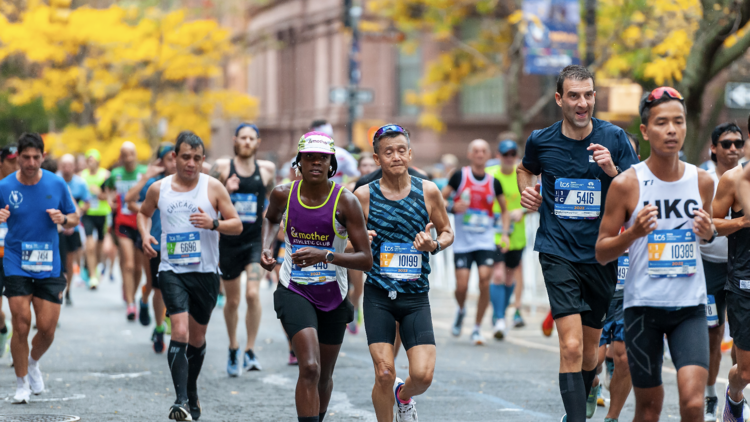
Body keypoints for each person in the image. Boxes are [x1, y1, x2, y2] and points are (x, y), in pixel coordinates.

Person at [517, 65, 639, 422]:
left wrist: (613, 172)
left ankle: (589, 387)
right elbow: (526, 168)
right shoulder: (541, 139)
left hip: (601, 255)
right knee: (569, 347)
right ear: (559, 99)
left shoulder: (614, 138)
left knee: (589, 356)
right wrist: (529, 191)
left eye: (588, 95)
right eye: (573, 95)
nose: (582, 102)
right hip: (557, 251)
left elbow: (638, 192)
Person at [596, 86, 715, 422]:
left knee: (693, 404)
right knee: (649, 408)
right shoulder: (627, 184)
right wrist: (633, 233)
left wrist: (708, 233)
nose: (672, 130)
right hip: (643, 308)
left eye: (678, 122)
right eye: (662, 123)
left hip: (689, 308)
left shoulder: (702, 181)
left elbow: (706, 236)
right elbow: (602, 251)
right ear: (646, 131)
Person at [259, 131, 372, 422]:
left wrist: (325, 255)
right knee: (309, 367)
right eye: (309, 157)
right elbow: (271, 219)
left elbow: (366, 260)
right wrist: (266, 247)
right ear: (300, 161)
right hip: (294, 288)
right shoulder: (283, 194)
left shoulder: (346, 202)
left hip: (334, 295)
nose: (316, 163)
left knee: (324, 374)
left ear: (331, 163)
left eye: (322, 158)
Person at [138, 131, 242, 421]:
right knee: (180, 332)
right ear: (174, 157)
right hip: (172, 269)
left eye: (197, 158)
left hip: (206, 272)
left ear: (203, 160)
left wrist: (213, 223)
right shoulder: (159, 188)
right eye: (185, 157)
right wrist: (146, 235)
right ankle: (180, 400)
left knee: (197, 338)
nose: (191, 163)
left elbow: (237, 226)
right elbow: (143, 213)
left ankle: (191, 389)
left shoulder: (214, 188)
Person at [354, 124, 454, 422]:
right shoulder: (363, 196)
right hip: (378, 296)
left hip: (415, 297)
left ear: (410, 154)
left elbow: (448, 232)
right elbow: (342, 238)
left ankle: (404, 396)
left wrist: (433, 244)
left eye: (401, 150)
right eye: (388, 152)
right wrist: (360, 241)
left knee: (422, 376)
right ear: (377, 159)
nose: (395, 156)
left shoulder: (429, 191)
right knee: (384, 373)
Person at [0, 133, 78, 404]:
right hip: (15, 261)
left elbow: (75, 216)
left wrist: (64, 218)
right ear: (19, 158)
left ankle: (33, 363)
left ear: (43, 157)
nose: (31, 162)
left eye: (36, 157)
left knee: (46, 329)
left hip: (48, 264)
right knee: (21, 324)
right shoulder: (4, 186)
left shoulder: (56, 184)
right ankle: (21, 384)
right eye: (26, 157)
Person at [209, 123, 275, 376]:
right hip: (229, 241)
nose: (247, 142)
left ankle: (249, 350)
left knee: (252, 294)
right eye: (243, 138)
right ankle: (233, 346)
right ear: (235, 140)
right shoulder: (222, 168)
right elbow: (206, 202)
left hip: (254, 240)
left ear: (258, 142)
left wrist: (273, 241)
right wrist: (226, 190)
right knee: (233, 300)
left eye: (252, 138)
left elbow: (274, 207)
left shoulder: (267, 170)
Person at [588, 132, 641, 420]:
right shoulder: (597, 188)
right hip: (598, 286)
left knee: (624, 359)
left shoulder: (648, 192)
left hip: (630, 294)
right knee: (592, 361)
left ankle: (613, 417)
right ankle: (593, 383)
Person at [442, 139, 510, 345]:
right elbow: (439, 199)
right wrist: (453, 207)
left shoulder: (493, 182)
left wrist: (505, 234)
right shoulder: (459, 176)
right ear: (470, 154)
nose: (480, 154)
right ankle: (461, 310)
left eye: (483, 151)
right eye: (476, 151)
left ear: (488, 155)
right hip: (462, 241)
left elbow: (505, 210)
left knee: (484, 280)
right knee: (461, 286)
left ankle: (478, 327)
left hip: (484, 240)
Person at [699, 123, 745, 421]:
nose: (732, 149)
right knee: (714, 333)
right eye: (726, 143)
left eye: (737, 143)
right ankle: (711, 394)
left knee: (740, 341)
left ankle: (736, 387)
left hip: (738, 266)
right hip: (707, 268)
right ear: (713, 148)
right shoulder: (703, 177)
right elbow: (710, 223)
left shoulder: (745, 176)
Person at [711, 130, 750, 422]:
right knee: (746, 370)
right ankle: (734, 397)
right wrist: (743, 221)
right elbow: (711, 224)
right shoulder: (734, 179)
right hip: (743, 284)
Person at [125, 143, 176, 352]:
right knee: (157, 286)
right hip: (155, 241)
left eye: (177, 157)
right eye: (169, 158)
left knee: (175, 286)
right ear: (161, 162)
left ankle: (172, 320)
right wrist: (147, 175)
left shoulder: (192, 182)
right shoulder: (154, 184)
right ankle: (158, 325)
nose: (174, 162)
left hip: (182, 243)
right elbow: (129, 200)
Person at [486, 138, 528, 338]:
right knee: (499, 274)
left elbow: (537, 198)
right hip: (494, 234)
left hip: (517, 234)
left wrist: (523, 211)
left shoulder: (523, 175)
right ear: (498, 156)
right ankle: (500, 317)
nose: (509, 158)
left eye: (513, 154)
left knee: (510, 276)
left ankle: (499, 314)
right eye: (505, 155)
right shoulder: (489, 175)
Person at [104, 142, 148, 321]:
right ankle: (131, 304)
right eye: (125, 154)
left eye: (131, 153)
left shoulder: (144, 172)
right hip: (122, 222)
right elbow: (106, 187)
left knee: (138, 267)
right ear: (121, 157)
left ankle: (131, 293)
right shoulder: (116, 174)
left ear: (136, 155)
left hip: (141, 221)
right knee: (128, 264)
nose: (128, 157)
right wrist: (109, 200)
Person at [346, 153, 378, 335]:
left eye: (370, 166)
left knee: (370, 284)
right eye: (364, 165)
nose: (367, 169)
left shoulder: (381, 187)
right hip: (357, 243)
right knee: (357, 286)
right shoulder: (351, 188)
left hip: (377, 241)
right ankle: (354, 306)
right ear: (358, 168)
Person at [58, 154, 91, 306]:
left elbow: (87, 202)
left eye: (69, 165)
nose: (66, 169)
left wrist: (76, 216)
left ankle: (69, 290)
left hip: (73, 228)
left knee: (70, 261)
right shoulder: (55, 180)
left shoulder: (80, 183)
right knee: (59, 261)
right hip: (57, 228)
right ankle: (58, 290)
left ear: (74, 166)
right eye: (64, 165)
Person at [80, 149, 111, 289]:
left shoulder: (105, 175)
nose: (90, 162)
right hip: (88, 214)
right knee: (90, 245)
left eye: (93, 160)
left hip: (102, 213)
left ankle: (95, 267)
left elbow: (109, 197)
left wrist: (99, 193)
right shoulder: (81, 176)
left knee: (99, 248)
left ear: (98, 161)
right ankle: (93, 277)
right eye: (88, 160)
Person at [0, 144, 19, 357]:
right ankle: (2, 329)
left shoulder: (21, 186)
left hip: (15, 255)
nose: (16, 166)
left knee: (19, 309)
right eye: (12, 161)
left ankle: (18, 349)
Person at [309, 120, 360, 185]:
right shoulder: (304, 154)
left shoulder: (341, 154)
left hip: (335, 192)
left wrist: (346, 185)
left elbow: (356, 174)